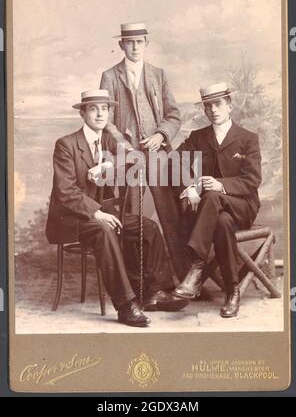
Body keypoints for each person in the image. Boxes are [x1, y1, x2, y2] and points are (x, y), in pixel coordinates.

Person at [46, 90, 188, 328]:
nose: (100, 113)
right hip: (71, 219)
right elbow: (66, 192)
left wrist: (109, 163)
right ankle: (126, 305)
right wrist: (97, 212)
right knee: (104, 230)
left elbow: (133, 157)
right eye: (93, 108)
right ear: (82, 113)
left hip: (99, 215)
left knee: (149, 227)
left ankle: (156, 293)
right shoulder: (66, 145)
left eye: (105, 108)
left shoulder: (108, 140)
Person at [100, 22, 187, 280]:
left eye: (140, 41)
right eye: (130, 42)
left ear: (147, 44)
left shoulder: (158, 74)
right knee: (133, 221)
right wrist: (124, 147)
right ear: (121, 45)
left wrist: (160, 135)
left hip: (157, 156)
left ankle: (185, 280)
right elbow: (107, 121)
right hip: (128, 161)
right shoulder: (109, 76)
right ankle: (137, 284)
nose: (135, 46)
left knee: (170, 218)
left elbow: (173, 115)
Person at [172, 82, 262, 317]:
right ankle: (233, 291)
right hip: (213, 213)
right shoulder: (198, 137)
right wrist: (190, 186)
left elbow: (252, 180)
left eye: (218, 104)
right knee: (221, 222)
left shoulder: (248, 139)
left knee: (212, 195)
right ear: (204, 110)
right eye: (208, 106)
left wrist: (222, 185)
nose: (213, 110)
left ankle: (196, 267)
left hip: (242, 205)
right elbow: (174, 161)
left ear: (229, 106)